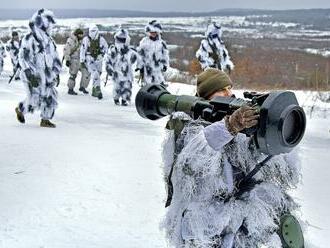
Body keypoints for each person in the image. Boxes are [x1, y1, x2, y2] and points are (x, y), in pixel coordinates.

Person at [162, 68, 302, 247]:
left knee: (281, 212)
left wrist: (271, 134)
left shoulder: (238, 120)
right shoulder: (189, 126)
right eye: (221, 90)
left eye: (230, 87)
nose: (229, 93)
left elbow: (269, 169)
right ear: (207, 96)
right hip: (202, 223)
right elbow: (191, 163)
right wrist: (229, 127)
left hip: (236, 219)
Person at [14, 9, 62, 128]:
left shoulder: (49, 41)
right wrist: (29, 73)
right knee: (34, 98)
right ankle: (21, 109)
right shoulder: (29, 39)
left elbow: (55, 57)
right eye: (48, 23)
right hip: (33, 74)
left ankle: (45, 119)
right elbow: (22, 58)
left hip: (47, 74)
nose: (50, 26)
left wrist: (56, 72)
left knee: (50, 96)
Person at [105, 28, 138, 106]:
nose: (120, 42)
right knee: (117, 86)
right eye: (119, 40)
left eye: (122, 40)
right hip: (116, 71)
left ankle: (125, 99)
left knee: (127, 86)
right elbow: (108, 60)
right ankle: (116, 98)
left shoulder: (130, 51)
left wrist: (134, 58)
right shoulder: (113, 50)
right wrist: (109, 68)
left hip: (127, 72)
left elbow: (134, 60)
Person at [136, 20, 169, 86]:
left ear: (158, 32)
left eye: (155, 32)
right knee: (148, 87)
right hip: (147, 69)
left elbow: (165, 55)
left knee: (159, 86)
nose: (153, 33)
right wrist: (140, 67)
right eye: (151, 32)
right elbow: (140, 55)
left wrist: (165, 64)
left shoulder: (161, 43)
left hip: (158, 69)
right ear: (149, 32)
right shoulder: (144, 42)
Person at [80, 25, 108, 99]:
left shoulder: (101, 39)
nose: (92, 33)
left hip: (99, 60)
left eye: (94, 31)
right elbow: (82, 50)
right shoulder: (86, 39)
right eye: (91, 31)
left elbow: (106, 48)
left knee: (98, 74)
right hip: (90, 59)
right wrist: (82, 61)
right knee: (95, 74)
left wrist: (102, 54)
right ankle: (98, 90)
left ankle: (94, 90)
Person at [63, 28, 90, 95]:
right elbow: (66, 50)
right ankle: (70, 89)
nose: (81, 36)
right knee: (73, 75)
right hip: (73, 60)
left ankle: (82, 87)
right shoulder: (70, 40)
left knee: (86, 72)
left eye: (81, 34)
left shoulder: (82, 41)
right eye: (79, 34)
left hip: (81, 60)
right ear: (76, 34)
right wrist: (67, 59)